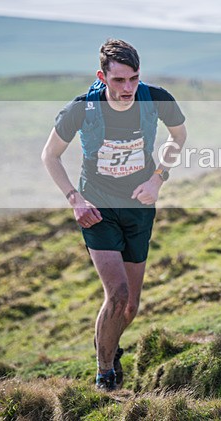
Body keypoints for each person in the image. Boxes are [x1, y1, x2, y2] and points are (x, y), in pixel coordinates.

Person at [41, 39, 187, 389]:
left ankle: (110, 345)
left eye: (134, 78)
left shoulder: (156, 99)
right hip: (97, 208)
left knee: (130, 307)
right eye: (119, 80)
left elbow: (178, 137)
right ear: (102, 77)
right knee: (118, 294)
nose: (128, 88)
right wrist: (75, 199)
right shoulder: (82, 109)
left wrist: (158, 179)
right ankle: (104, 373)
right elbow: (50, 155)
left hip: (138, 207)